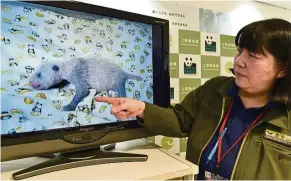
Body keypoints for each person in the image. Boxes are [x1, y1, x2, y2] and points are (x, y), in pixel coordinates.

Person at [95, 18, 291, 180]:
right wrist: (141, 109)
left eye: (253, 56)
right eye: (239, 51)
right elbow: (181, 120)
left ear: (282, 68)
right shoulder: (215, 90)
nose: (239, 61)